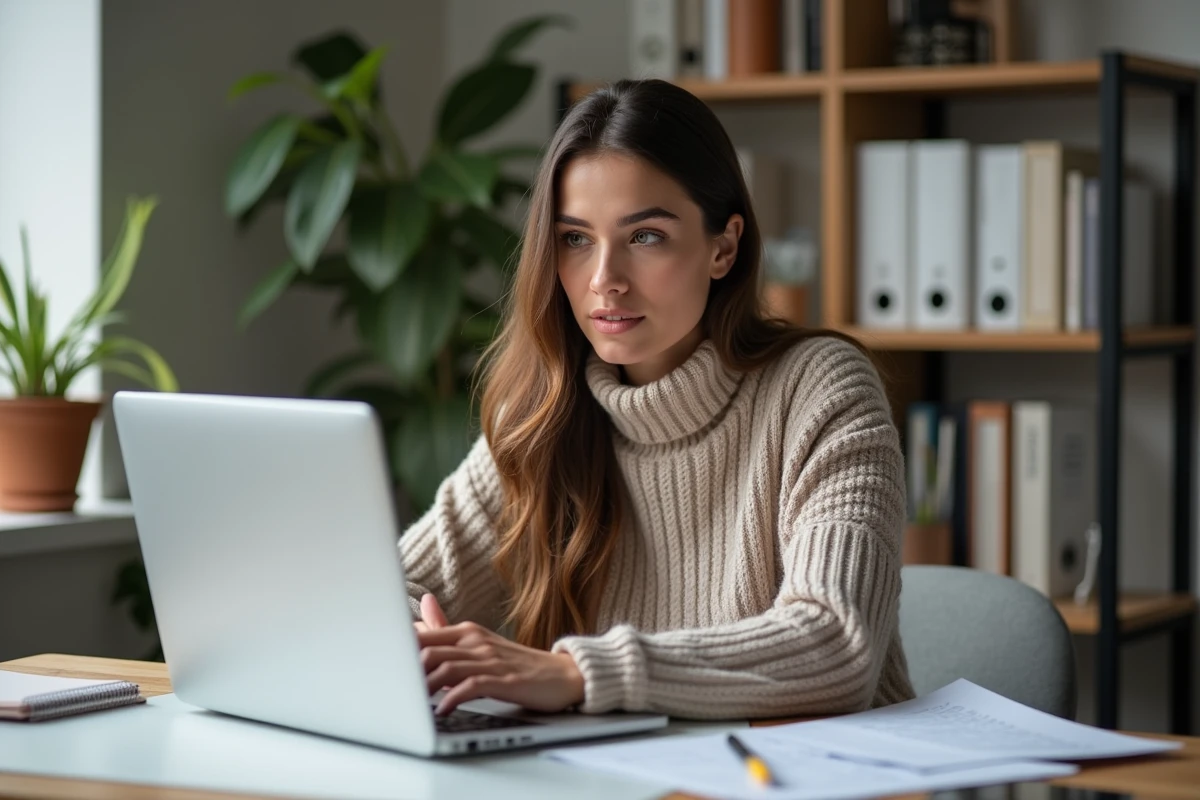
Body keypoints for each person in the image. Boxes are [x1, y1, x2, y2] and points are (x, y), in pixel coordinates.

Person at [402, 78, 914, 720]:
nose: (604, 279)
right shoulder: (539, 414)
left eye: (645, 236)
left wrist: (577, 672)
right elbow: (394, 585)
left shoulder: (820, 389)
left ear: (723, 248)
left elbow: (836, 643)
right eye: (575, 239)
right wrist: (399, 638)